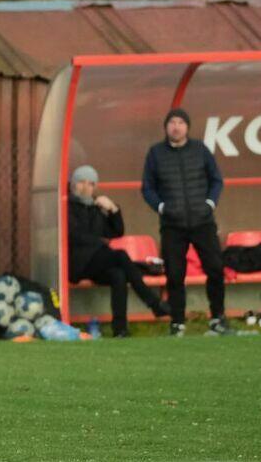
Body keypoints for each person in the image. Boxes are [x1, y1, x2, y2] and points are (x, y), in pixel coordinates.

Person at [141, 108, 230, 336]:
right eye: (172, 122)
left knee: (215, 269)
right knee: (174, 274)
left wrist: (209, 204)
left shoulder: (200, 149)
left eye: (181, 122)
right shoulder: (156, 153)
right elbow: (147, 188)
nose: (176, 127)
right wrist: (162, 207)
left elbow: (216, 180)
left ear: (187, 127)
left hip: (203, 222)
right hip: (172, 225)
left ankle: (218, 318)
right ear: (166, 127)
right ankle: (177, 322)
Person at [67, 164, 170, 338]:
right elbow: (74, 236)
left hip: (97, 261)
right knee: (120, 255)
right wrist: (101, 243)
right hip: (78, 263)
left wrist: (113, 209)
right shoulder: (67, 206)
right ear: (73, 184)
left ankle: (120, 329)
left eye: (91, 184)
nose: (86, 187)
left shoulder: (95, 207)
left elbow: (116, 232)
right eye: (81, 182)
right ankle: (153, 302)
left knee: (118, 275)